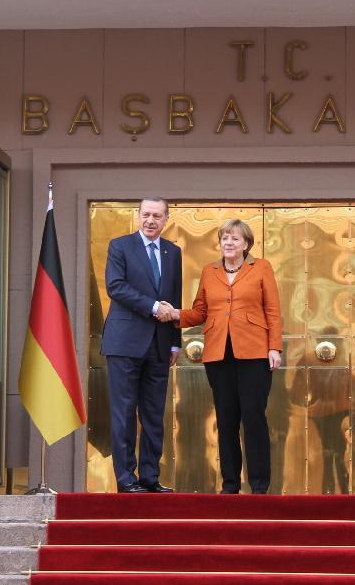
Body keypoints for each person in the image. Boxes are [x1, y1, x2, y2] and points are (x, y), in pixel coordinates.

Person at [166, 219, 282, 494]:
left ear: (246, 244)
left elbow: (273, 310)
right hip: (219, 355)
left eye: (235, 239)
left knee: (254, 417)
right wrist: (174, 315)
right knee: (226, 418)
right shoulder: (210, 271)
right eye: (225, 238)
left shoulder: (261, 267)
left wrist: (274, 347)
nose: (228, 243)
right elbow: (199, 311)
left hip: (254, 353)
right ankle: (229, 485)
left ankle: (259, 485)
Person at [100, 197, 182, 493]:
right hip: (124, 343)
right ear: (138, 216)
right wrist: (152, 306)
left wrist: (175, 342)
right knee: (124, 413)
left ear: (166, 219)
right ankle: (127, 479)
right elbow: (116, 286)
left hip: (160, 345)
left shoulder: (173, 252)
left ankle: (150, 477)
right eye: (146, 214)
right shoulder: (119, 246)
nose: (150, 220)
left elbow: (175, 297)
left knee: (153, 413)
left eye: (157, 216)